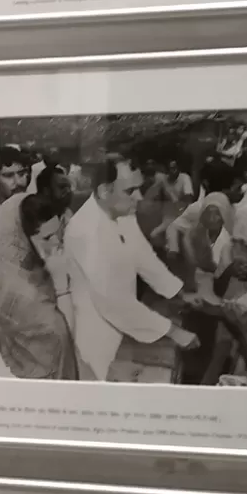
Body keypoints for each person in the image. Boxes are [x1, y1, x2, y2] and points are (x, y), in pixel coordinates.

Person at [63, 157, 199, 378]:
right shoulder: (84, 230)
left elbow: (143, 257)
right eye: (130, 191)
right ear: (105, 191)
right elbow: (112, 301)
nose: (139, 197)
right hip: (94, 338)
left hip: (125, 327)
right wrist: (173, 331)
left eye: (139, 188)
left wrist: (179, 293)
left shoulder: (122, 213)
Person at [0, 168, 78, 379]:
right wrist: (62, 287)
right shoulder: (19, 291)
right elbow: (62, 336)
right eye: (47, 238)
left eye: (57, 234)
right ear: (22, 238)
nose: (56, 244)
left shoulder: (28, 264)